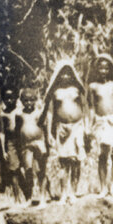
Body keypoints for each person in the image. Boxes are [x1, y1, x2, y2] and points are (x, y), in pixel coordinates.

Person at [43, 60, 86, 203]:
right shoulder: (55, 91)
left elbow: (84, 107)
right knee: (63, 161)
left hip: (77, 126)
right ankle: (63, 193)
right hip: (62, 128)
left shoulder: (77, 89)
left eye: (69, 73)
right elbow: (50, 113)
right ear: (58, 75)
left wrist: (86, 127)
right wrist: (49, 133)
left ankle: (73, 192)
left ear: (72, 74)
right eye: (63, 73)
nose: (66, 76)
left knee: (75, 161)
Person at [88, 53, 113, 196]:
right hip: (101, 121)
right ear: (96, 69)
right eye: (100, 68)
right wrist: (90, 126)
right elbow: (92, 107)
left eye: (106, 69)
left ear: (110, 70)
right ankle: (103, 187)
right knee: (103, 154)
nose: (103, 71)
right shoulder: (92, 86)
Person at [16, 86, 49, 206]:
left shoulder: (38, 112)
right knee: (28, 170)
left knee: (41, 170)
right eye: (26, 100)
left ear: (35, 100)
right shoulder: (19, 115)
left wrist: (47, 142)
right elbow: (18, 130)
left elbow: (45, 127)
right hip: (26, 145)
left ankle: (43, 197)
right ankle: (30, 198)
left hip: (39, 143)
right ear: (22, 101)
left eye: (31, 100)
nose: (29, 103)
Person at [0, 88, 24, 204]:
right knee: (13, 170)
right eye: (6, 98)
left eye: (11, 97)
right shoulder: (3, 113)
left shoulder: (20, 111)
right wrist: (4, 150)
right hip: (10, 143)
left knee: (29, 167)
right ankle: (17, 198)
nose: (9, 100)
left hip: (22, 141)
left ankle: (33, 195)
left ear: (16, 98)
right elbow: (2, 132)